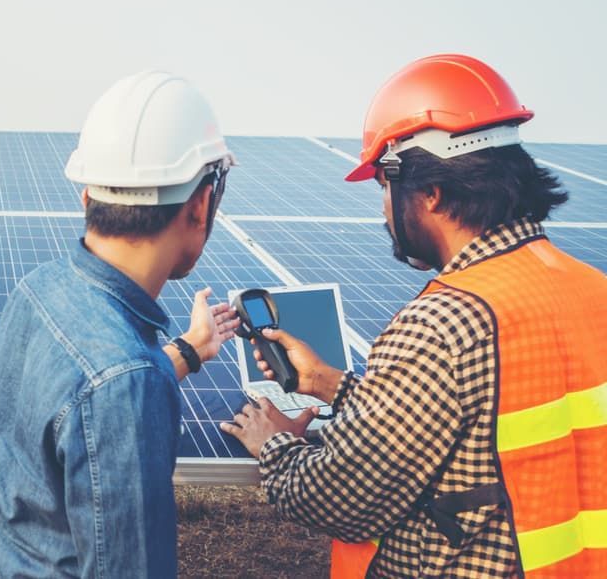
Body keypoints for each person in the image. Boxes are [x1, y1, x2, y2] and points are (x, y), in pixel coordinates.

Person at [221, 54, 607, 578]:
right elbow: (476, 418)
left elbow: (342, 497)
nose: (383, 207)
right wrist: (330, 384)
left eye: (384, 186)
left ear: (430, 192)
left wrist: (274, 444)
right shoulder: (589, 288)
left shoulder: (444, 323)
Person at [0, 70, 240, 577]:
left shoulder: (39, 288)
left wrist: (187, 350)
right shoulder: (125, 383)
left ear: (88, 198)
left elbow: (86, 400)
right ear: (201, 204)